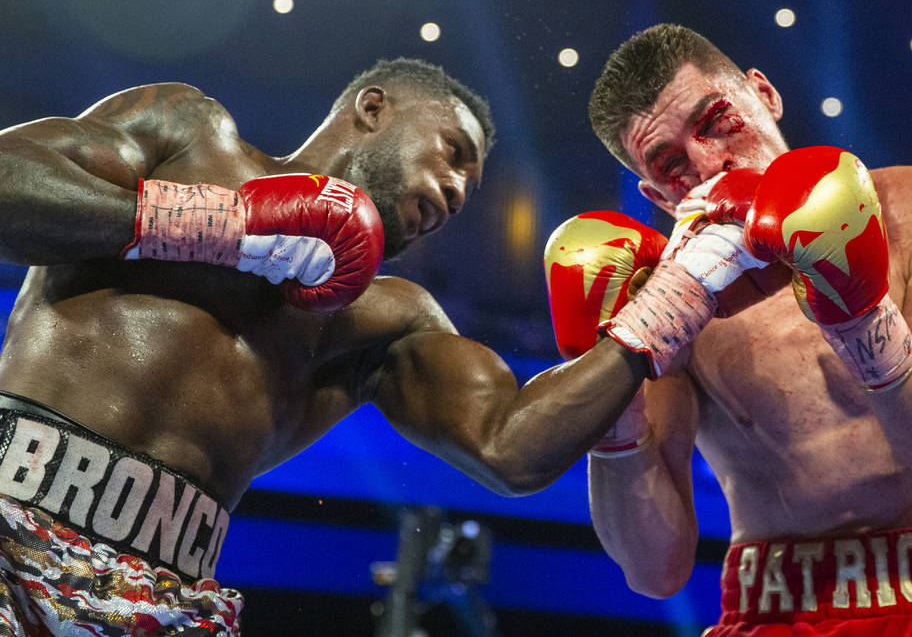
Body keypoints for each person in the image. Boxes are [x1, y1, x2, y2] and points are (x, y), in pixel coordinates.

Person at [0, 56, 712, 637]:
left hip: (165, 599)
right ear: (373, 109)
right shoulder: (190, 135)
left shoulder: (383, 319)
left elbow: (509, 448)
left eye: (468, 181)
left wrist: (655, 313)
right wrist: (222, 225)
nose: (459, 189)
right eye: (453, 152)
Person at [546, 24, 912, 635]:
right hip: (778, 608)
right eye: (672, 164)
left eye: (716, 121)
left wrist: (859, 313)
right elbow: (656, 572)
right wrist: (613, 403)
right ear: (655, 194)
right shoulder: (667, 303)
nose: (709, 163)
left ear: (765, 94)